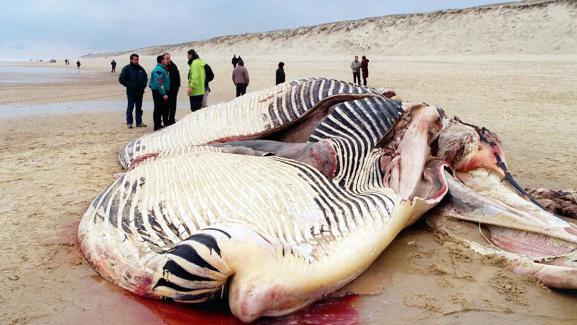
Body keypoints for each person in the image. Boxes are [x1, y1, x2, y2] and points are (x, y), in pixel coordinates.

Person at [119, 53, 148, 128]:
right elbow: (121, 79)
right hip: (131, 92)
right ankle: (129, 122)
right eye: (135, 59)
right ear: (131, 60)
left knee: (139, 107)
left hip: (140, 92)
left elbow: (145, 78)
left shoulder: (141, 69)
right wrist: (130, 85)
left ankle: (139, 122)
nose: (137, 61)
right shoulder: (126, 68)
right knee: (130, 106)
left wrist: (143, 86)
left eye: (138, 59)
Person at [149, 55, 171, 131]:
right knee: (158, 108)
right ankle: (157, 125)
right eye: (165, 59)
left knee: (163, 108)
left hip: (162, 91)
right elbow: (159, 83)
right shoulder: (158, 70)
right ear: (162, 60)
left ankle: (161, 123)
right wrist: (163, 93)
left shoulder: (163, 69)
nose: (167, 61)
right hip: (158, 92)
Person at [163, 52, 180, 125]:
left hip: (174, 90)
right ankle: (166, 121)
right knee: (166, 106)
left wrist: (178, 86)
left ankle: (172, 120)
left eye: (169, 58)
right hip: (166, 90)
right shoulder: (162, 67)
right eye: (166, 58)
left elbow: (177, 76)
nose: (168, 60)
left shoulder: (173, 66)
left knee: (173, 106)